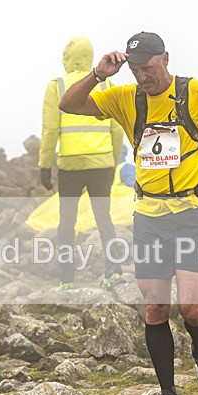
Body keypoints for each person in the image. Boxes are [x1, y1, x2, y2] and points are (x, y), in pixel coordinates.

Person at [60, 32, 198, 395]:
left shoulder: (195, 93)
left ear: (165, 58)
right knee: (155, 308)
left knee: (192, 310)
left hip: (195, 212)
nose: (142, 76)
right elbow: (69, 104)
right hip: (149, 217)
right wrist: (99, 74)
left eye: (147, 67)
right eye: (135, 69)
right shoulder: (125, 98)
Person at [39, 36, 125, 291]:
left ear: (66, 57)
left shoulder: (57, 85)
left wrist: (45, 165)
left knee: (67, 222)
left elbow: (50, 128)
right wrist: (113, 160)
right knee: (104, 218)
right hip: (102, 164)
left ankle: (67, 279)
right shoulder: (105, 83)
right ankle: (114, 271)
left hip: (70, 167)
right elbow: (117, 128)